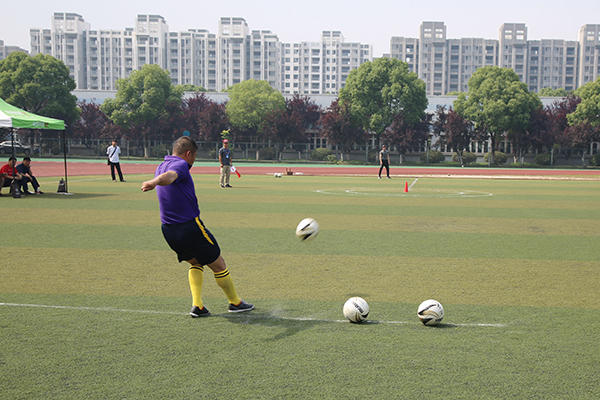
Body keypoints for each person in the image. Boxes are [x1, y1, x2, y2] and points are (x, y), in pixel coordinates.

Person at [141, 136, 253, 317]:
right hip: (189, 228)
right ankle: (235, 302)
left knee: (196, 262)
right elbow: (170, 176)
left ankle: (198, 306)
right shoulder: (180, 165)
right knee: (219, 264)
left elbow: (166, 176)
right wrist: (153, 182)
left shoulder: (161, 165)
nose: (193, 160)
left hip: (168, 230)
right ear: (188, 154)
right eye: (194, 156)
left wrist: (154, 181)